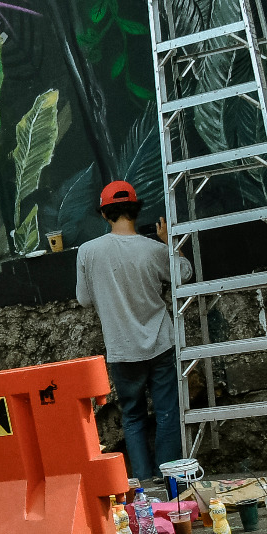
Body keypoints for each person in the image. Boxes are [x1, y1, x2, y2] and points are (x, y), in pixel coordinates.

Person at [76, 181, 188, 484]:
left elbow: (85, 299)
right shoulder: (153, 250)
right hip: (161, 344)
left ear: (104, 214)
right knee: (167, 413)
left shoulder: (88, 252)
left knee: (133, 416)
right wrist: (169, 245)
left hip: (121, 349)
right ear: (136, 210)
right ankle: (170, 481)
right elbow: (185, 273)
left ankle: (141, 483)